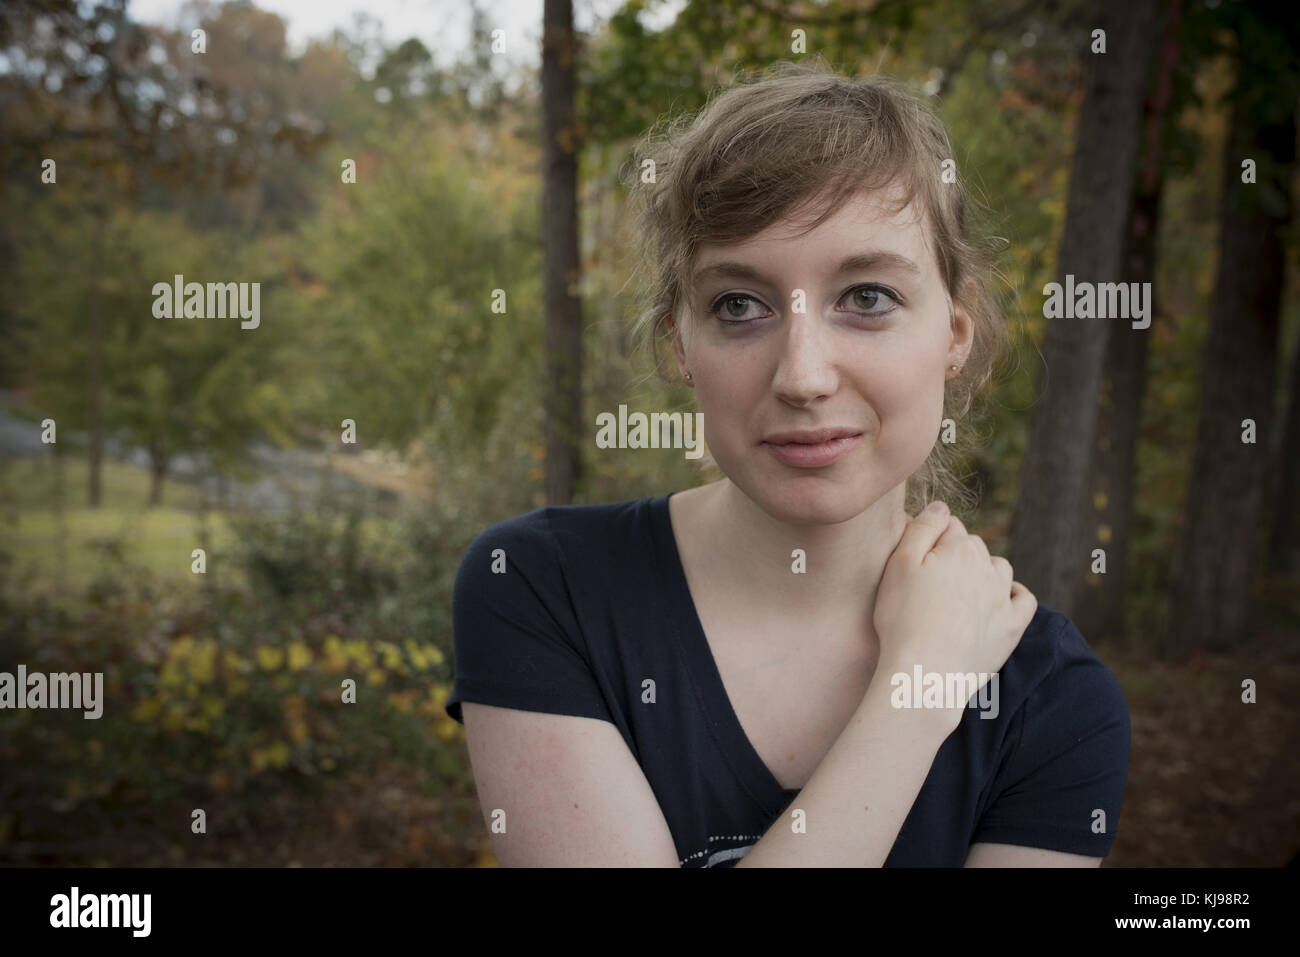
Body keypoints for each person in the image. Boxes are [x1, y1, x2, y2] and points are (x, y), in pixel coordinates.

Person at [444, 59, 1131, 867]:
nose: (803, 376)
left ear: (954, 331)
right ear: (680, 343)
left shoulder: (1056, 702)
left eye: (867, 297)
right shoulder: (539, 585)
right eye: (740, 305)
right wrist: (921, 688)